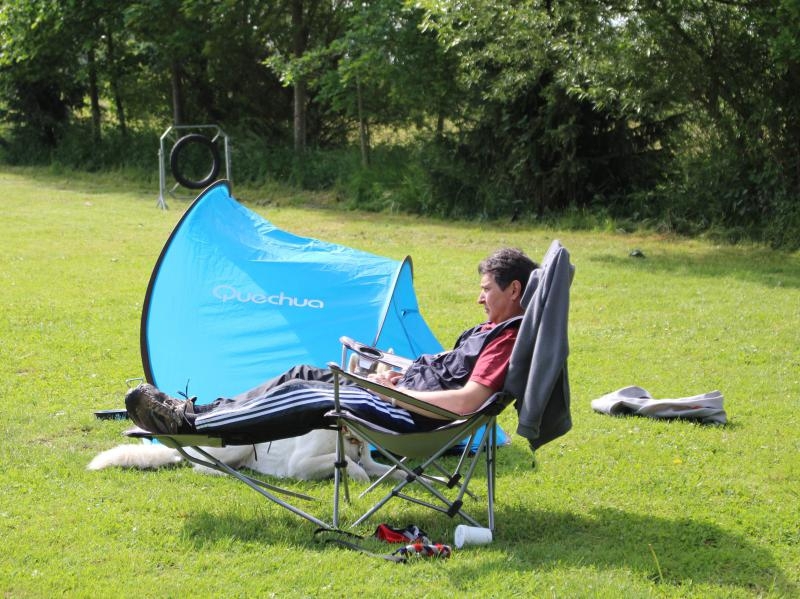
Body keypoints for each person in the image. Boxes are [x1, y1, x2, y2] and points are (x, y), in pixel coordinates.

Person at [125, 247, 537, 444]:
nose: (479, 298)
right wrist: (401, 374)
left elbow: (466, 402)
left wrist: (396, 393)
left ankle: (189, 427)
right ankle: (197, 411)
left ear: (514, 289)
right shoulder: (492, 329)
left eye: (486, 289)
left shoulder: (507, 339)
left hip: (412, 417)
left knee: (305, 394)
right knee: (302, 373)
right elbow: (447, 375)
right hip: (404, 396)